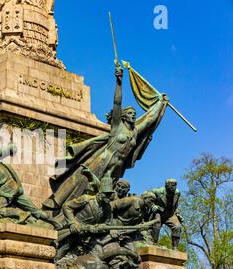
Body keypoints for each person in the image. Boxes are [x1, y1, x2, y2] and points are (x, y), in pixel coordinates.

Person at [43, 66, 169, 212]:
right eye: (130, 113)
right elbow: (117, 103)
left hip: (116, 168)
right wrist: (119, 82)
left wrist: (161, 104)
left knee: (103, 195)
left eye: (134, 113)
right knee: (82, 184)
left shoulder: (134, 132)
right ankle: (59, 207)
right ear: (123, 116)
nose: (133, 115)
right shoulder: (117, 127)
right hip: (102, 161)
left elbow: (149, 119)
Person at [0, 149, 61, 229]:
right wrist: (10, 148)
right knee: (34, 210)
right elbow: (1, 151)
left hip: (7, 189)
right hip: (16, 186)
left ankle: (22, 214)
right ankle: (55, 222)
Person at [149, 179, 182, 250]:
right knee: (157, 224)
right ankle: (153, 243)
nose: (173, 187)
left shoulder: (177, 193)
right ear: (166, 185)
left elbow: (175, 205)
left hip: (170, 214)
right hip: (159, 212)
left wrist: (178, 213)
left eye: (175, 185)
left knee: (177, 226)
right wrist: (152, 206)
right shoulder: (157, 191)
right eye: (171, 185)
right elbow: (146, 198)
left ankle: (175, 247)